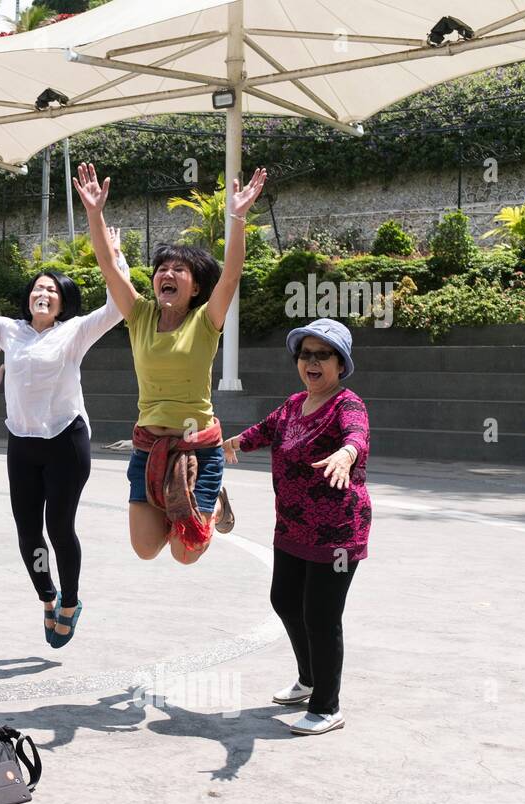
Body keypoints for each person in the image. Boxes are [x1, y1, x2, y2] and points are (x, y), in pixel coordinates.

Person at [0, 209, 131, 647]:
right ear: (28, 297)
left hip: (65, 441)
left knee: (60, 527)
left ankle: (72, 603)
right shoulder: (11, 332)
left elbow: (118, 307)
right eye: (38, 287)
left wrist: (116, 258)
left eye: (52, 290)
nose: (43, 293)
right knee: (27, 531)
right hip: (22, 443)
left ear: (62, 301)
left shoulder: (75, 332)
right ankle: (47, 597)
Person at [80, 162, 266, 564]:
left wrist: (237, 217)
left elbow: (231, 277)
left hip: (198, 448)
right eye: (162, 268)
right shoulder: (140, 315)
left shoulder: (205, 321)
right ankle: (181, 504)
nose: (167, 273)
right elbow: (109, 268)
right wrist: (95, 213)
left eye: (178, 269)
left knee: (185, 554)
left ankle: (213, 502)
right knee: (145, 549)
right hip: (149, 448)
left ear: (195, 286)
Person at [223, 318, 371, 735]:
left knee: (321, 616)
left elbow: (356, 437)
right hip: (292, 526)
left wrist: (346, 455)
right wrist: (223, 444)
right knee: (285, 600)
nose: (312, 361)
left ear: (340, 364)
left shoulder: (348, 405)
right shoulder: (293, 405)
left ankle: (327, 707)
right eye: (305, 354)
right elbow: (260, 432)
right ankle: (309, 679)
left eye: (323, 355)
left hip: (337, 534)